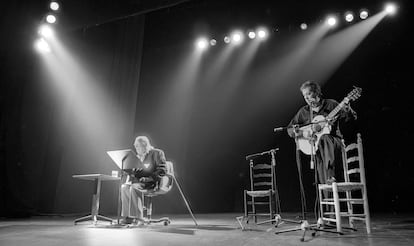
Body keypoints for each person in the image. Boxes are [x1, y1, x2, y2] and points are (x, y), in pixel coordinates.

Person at [287, 81, 357, 185]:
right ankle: (327, 191)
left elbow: (351, 119)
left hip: (335, 143)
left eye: (309, 94)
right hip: (319, 150)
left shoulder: (331, 104)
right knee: (324, 184)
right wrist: (303, 134)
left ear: (317, 92)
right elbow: (290, 129)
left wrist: (347, 109)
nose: (306, 98)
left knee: (325, 137)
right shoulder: (304, 111)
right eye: (304, 95)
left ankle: (331, 174)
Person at [120, 136, 167, 225]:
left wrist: (149, 178)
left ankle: (138, 218)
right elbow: (136, 173)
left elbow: (162, 170)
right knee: (124, 187)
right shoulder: (137, 157)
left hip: (152, 182)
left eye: (138, 146)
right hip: (139, 182)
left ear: (145, 145)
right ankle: (128, 217)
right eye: (135, 146)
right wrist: (128, 170)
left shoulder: (156, 153)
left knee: (134, 187)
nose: (136, 148)